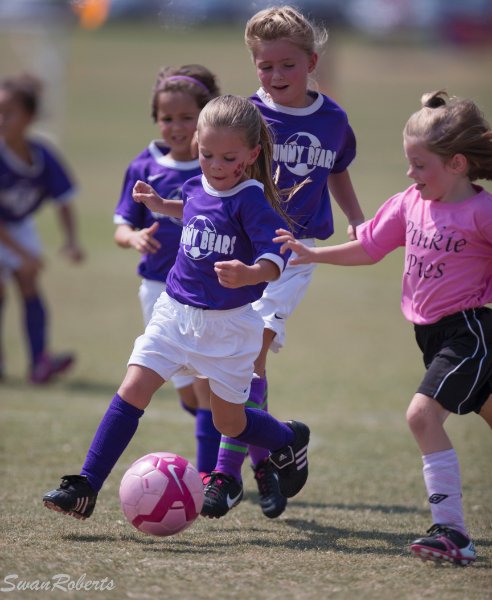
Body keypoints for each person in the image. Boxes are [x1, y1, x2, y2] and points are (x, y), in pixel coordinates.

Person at [42, 94, 310, 521]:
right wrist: (160, 207)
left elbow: (276, 259)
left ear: (253, 154)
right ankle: (86, 485)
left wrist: (251, 273)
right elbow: (194, 210)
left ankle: (287, 440)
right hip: (173, 314)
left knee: (230, 423)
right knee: (132, 390)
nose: (216, 165)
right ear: (197, 146)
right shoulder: (195, 183)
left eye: (228, 157)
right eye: (207, 154)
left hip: (229, 329)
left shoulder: (252, 200)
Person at [275, 90, 492, 566]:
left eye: (419, 165)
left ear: (457, 163)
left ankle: (452, 532)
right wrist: (314, 254)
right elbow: (370, 246)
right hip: (431, 337)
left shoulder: (483, 213)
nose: (410, 174)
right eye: (407, 164)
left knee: (421, 416)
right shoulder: (410, 203)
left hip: (471, 332)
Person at [201, 4, 365, 520]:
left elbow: (337, 169)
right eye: (265, 66)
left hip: (293, 256)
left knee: (252, 356)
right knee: (235, 363)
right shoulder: (247, 118)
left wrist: (358, 219)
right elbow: (217, 176)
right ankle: (274, 455)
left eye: (287, 65)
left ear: (311, 60)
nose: (276, 76)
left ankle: (228, 476)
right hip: (242, 253)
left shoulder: (333, 119)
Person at [113, 64, 222, 476]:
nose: (176, 127)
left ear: (205, 117)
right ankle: (242, 439)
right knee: (189, 396)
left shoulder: (215, 165)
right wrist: (134, 238)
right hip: (156, 290)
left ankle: (212, 473)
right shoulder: (144, 166)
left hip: (203, 293)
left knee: (204, 386)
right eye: (167, 118)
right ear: (156, 121)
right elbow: (122, 223)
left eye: (186, 118)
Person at [0, 73, 84, 383]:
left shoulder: (42, 156)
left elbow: (64, 200)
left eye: (8, 112)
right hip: (5, 229)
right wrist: (23, 254)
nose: (1, 119)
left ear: (30, 117)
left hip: (17, 225)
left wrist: (71, 241)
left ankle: (39, 363)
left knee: (28, 278)